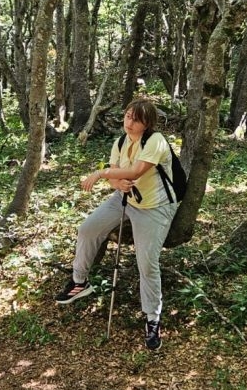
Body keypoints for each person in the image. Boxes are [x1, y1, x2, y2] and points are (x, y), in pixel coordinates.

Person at [55, 98, 178, 351]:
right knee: (88, 228)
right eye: (127, 116)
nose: (129, 122)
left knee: (147, 262)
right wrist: (115, 184)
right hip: (124, 200)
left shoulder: (155, 141)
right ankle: (80, 282)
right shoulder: (120, 142)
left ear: (147, 123)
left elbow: (134, 172)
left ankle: (153, 317)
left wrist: (101, 174)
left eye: (136, 119)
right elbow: (117, 173)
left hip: (154, 207)